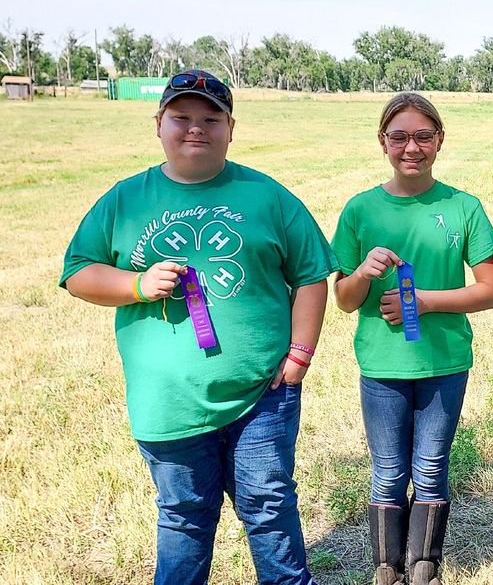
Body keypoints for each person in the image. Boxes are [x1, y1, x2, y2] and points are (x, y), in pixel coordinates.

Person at [60, 70, 337, 585]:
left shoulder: (268, 197)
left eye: (211, 118)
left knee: (269, 507)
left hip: (263, 394)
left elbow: (311, 275)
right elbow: (79, 274)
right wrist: (138, 284)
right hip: (168, 400)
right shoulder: (126, 199)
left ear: (231, 128)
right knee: (184, 517)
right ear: (158, 124)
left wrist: (299, 354)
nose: (196, 128)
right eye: (181, 117)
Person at [331, 92, 493, 585]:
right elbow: (343, 299)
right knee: (387, 470)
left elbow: (490, 292)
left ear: (439, 141)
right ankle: (387, 567)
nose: (412, 147)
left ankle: (424, 563)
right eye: (400, 136)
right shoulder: (360, 210)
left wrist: (426, 301)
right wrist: (362, 273)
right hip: (382, 366)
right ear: (382, 142)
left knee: (430, 466)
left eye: (423, 136)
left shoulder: (463, 207)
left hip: (445, 362)